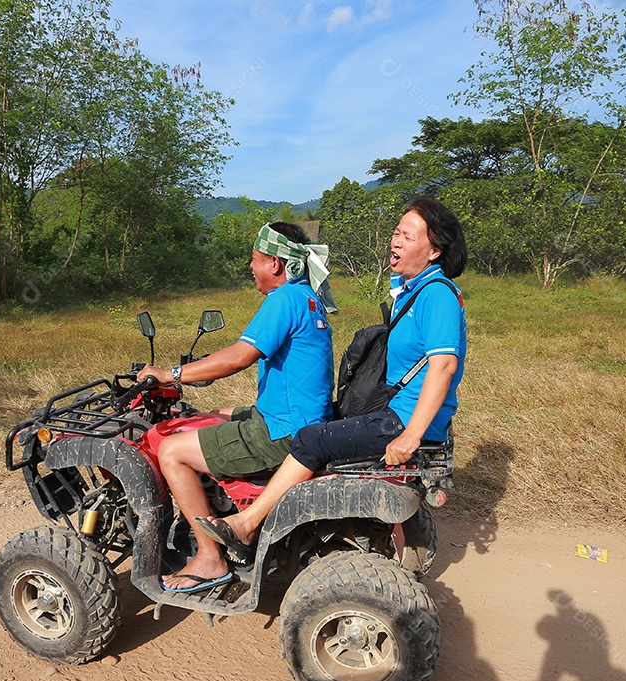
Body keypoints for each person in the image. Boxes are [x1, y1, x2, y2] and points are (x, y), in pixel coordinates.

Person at [197, 197, 466, 559]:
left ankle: (246, 525)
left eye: (408, 236)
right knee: (329, 422)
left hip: (404, 418)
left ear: (434, 251)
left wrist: (411, 435)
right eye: (396, 233)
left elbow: (444, 367)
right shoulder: (414, 291)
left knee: (311, 439)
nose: (396, 241)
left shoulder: (437, 295)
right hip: (398, 410)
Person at [136, 222, 336, 592]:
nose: (251, 266)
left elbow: (240, 356)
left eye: (255, 259)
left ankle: (209, 558)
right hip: (301, 418)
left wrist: (171, 374)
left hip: (283, 432)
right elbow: (236, 355)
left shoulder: (284, 298)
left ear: (276, 264)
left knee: (171, 451)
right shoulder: (307, 296)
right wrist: (195, 372)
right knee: (215, 413)